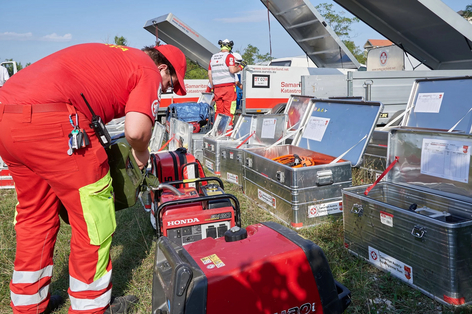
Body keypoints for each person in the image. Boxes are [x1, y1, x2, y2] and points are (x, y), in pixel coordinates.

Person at [0, 43, 187, 314]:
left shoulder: (117, 56)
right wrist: (142, 154)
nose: (166, 91)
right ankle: (90, 307)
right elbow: (136, 131)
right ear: (161, 68)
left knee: (34, 216)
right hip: (57, 123)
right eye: (169, 84)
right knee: (93, 219)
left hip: (7, 118)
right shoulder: (146, 69)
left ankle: (29, 305)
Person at [207, 39, 246, 125]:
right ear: (230, 46)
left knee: (219, 110)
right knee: (229, 110)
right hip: (228, 88)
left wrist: (214, 86)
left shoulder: (213, 57)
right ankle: (227, 132)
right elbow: (232, 70)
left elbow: (209, 74)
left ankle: (217, 131)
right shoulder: (229, 56)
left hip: (217, 88)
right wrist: (241, 67)